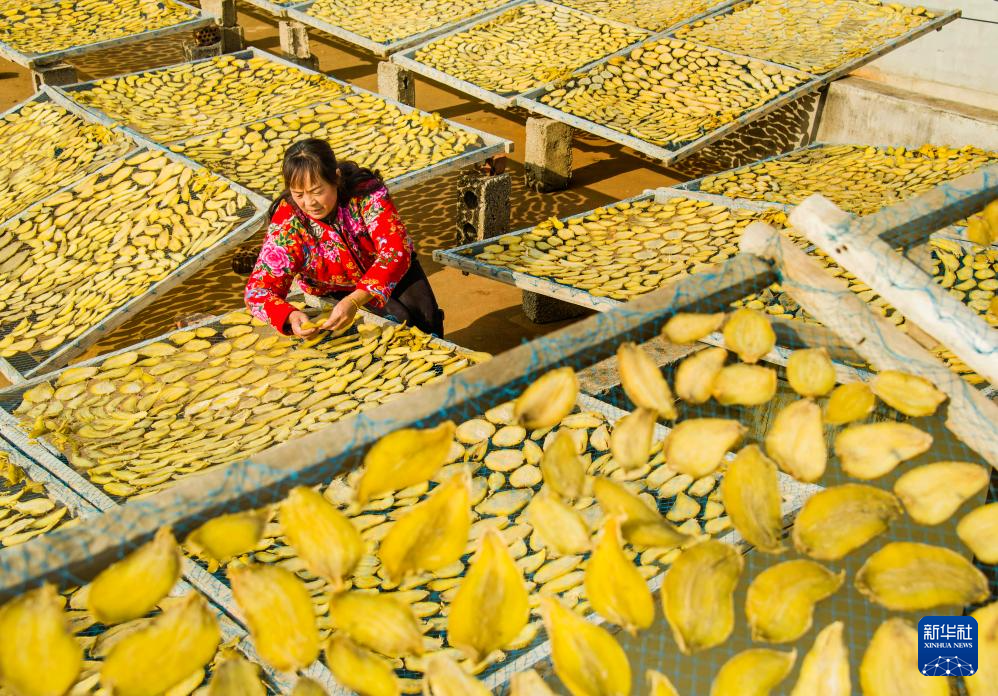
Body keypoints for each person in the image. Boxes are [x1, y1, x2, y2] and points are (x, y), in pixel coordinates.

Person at [244, 138, 444, 337]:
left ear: (336, 178)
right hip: (335, 288)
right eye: (299, 194)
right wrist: (290, 315)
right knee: (397, 321)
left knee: (427, 320)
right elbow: (257, 292)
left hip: (389, 270)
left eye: (317, 191)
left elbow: (396, 251)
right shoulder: (288, 224)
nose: (309, 202)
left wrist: (356, 300)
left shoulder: (365, 193)